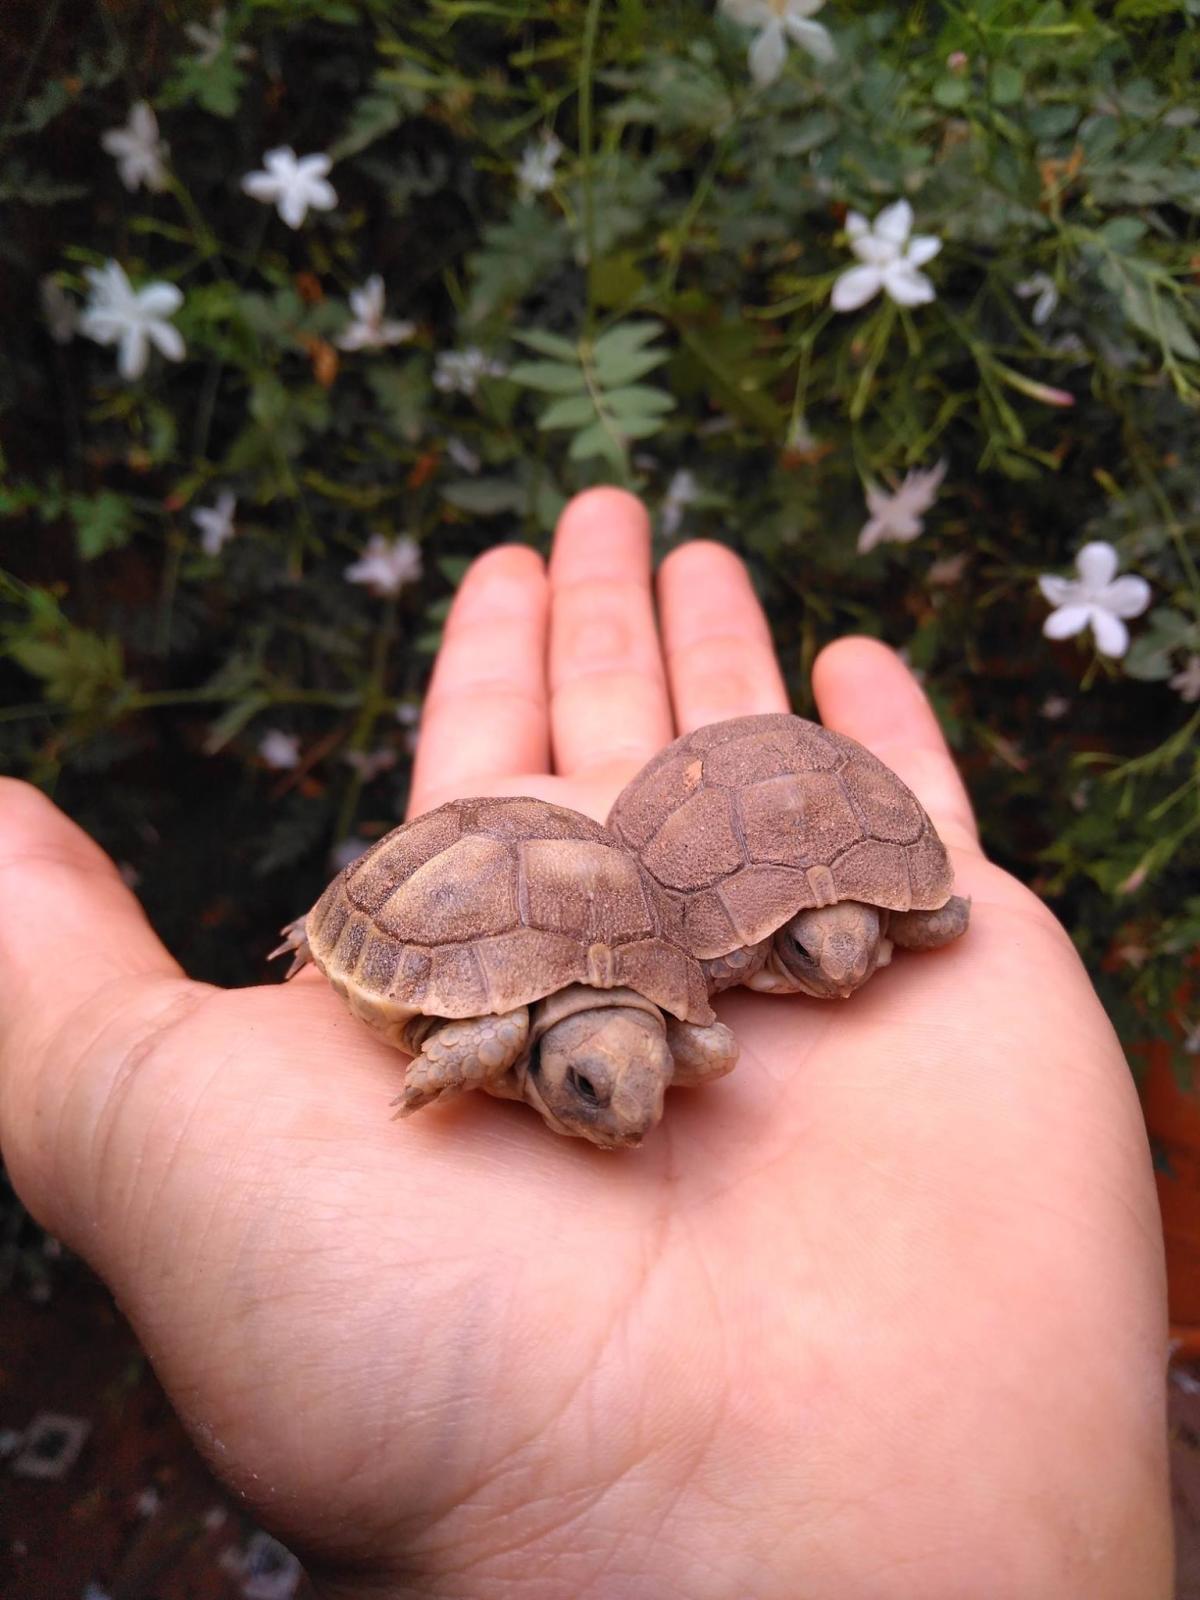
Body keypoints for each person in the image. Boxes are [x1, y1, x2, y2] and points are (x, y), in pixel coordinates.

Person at [0, 488, 1172, 1597]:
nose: (636, 1114)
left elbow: (713, 1035)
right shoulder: (504, 1028)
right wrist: (426, 1034)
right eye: (599, 1092)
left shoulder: (689, 1016)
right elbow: (524, 1031)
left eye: (642, 1083)